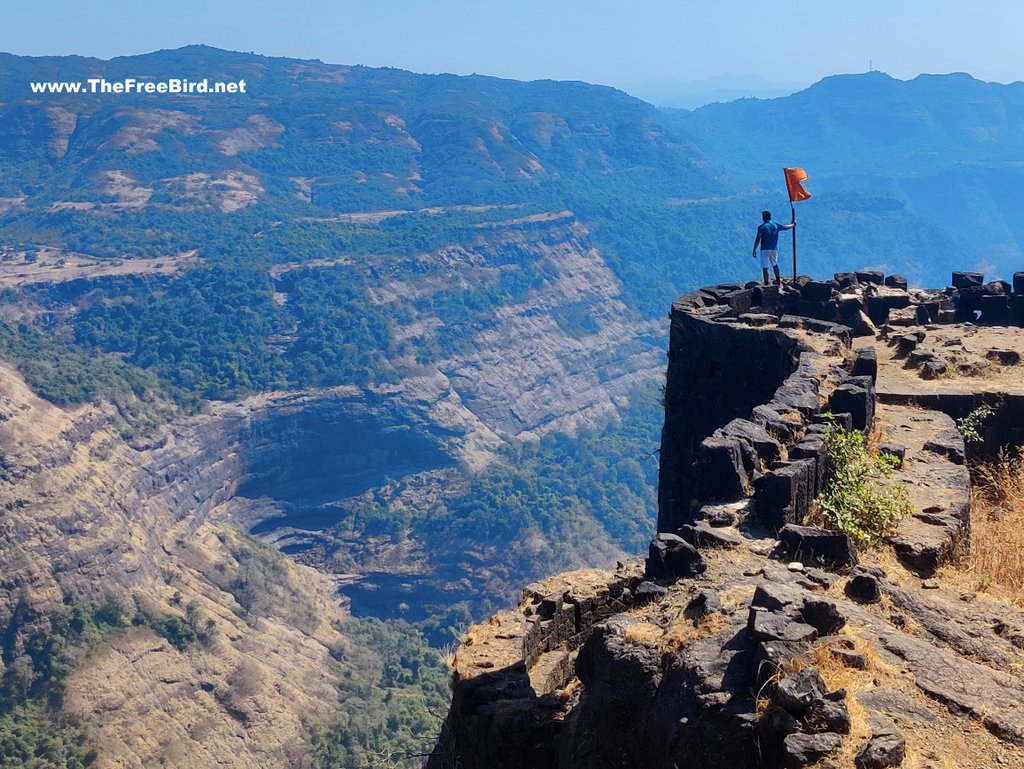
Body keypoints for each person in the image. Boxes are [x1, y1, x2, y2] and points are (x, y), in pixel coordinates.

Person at [752, 210, 794, 286]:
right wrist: (793, 224)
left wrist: (754, 249)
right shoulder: (775, 225)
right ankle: (778, 280)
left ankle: (766, 283)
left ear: (763, 218)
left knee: (765, 267)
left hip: (764, 249)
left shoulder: (761, 227)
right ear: (770, 217)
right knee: (775, 264)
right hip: (774, 248)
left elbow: (758, 238)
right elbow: (786, 227)